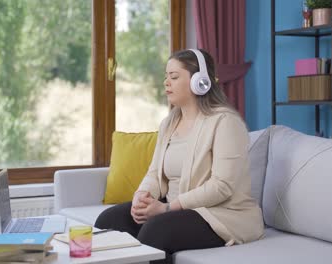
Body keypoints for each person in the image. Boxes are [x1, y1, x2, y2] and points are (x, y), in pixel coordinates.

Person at [94, 49, 264, 263]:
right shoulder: (169, 123)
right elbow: (155, 172)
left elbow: (222, 186)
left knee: (156, 230)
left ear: (199, 81)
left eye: (174, 77)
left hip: (218, 214)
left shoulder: (226, 122)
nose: (166, 82)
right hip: (174, 209)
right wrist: (142, 196)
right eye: (166, 76)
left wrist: (166, 208)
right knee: (108, 220)